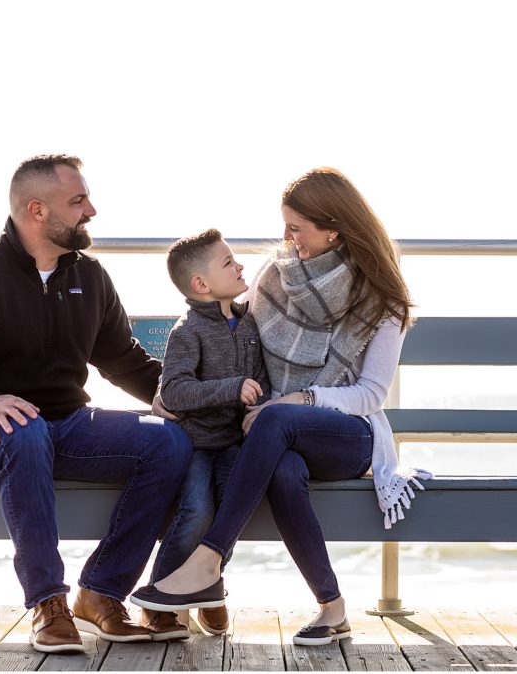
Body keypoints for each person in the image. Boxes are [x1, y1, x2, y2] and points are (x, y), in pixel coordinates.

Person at [0, 154, 192, 654]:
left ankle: (100, 594)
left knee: (168, 443)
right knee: (24, 429)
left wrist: (183, 400)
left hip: (67, 427)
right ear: (37, 210)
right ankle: (47, 603)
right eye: (77, 201)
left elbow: (123, 360)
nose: (92, 211)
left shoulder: (91, 278)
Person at [130, 167, 431, 645]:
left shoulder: (382, 299)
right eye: (286, 226)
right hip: (275, 436)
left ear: (334, 228)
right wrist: (169, 392)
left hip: (347, 435)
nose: (287, 239)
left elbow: (372, 394)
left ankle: (209, 561)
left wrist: (304, 399)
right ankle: (332, 608)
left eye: (297, 228)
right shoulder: (275, 276)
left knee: (278, 418)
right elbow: (224, 328)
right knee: (285, 467)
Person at [140, 229, 272, 641]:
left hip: (233, 442)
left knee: (233, 506)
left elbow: (261, 379)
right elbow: (175, 390)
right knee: (197, 510)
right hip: (194, 443)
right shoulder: (188, 332)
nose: (240, 266)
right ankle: (160, 601)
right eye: (229, 263)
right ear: (201, 284)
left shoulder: (249, 322)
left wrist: (261, 404)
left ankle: (207, 588)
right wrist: (231, 387)